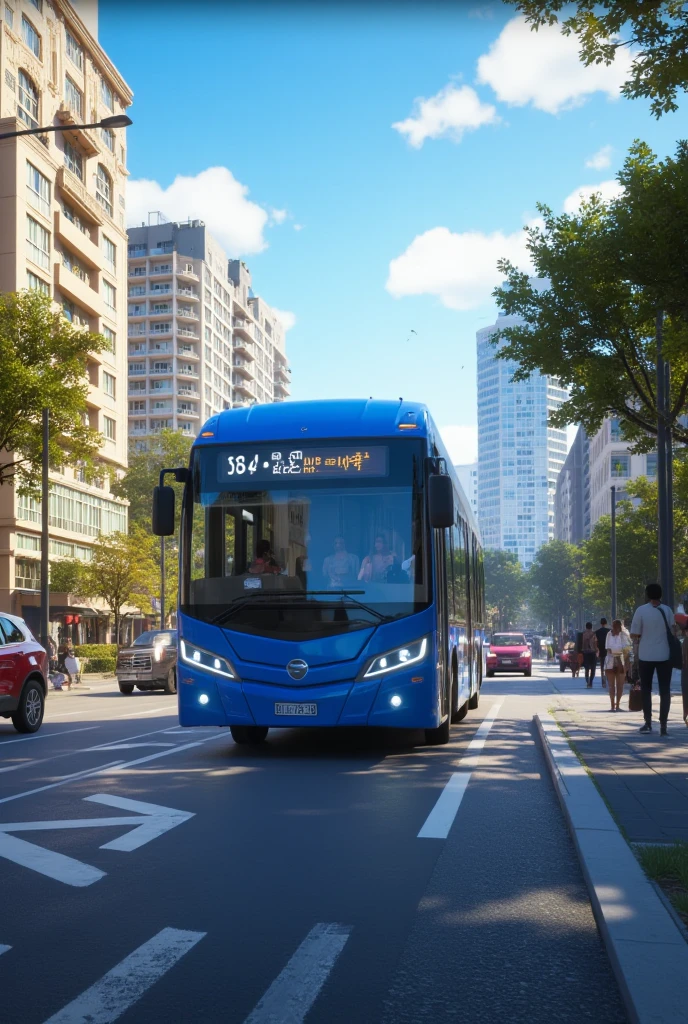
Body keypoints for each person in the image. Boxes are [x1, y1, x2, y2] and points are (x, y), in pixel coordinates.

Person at [630, 582, 675, 735]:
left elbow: (634, 634)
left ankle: (648, 723)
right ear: (660, 594)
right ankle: (663, 726)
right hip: (665, 654)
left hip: (646, 655)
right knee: (665, 690)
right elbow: (673, 630)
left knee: (646, 689)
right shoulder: (668, 610)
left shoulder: (641, 611)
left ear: (648, 595)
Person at [605, 620, 631, 711]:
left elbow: (627, 649)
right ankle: (613, 705)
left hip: (621, 661)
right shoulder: (609, 634)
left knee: (620, 685)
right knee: (612, 685)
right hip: (611, 661)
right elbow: (608, 648)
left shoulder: (624, 635)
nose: (615, 629)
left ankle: (617, 705)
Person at [581, 622, 599, 688]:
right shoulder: (594, 634)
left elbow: (582, 643)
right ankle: (591, 682)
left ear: (586, 627)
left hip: (585, 653)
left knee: (586, 668)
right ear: (591, 627)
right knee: (593, 668)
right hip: (592, 652)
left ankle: (587, 681)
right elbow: (595, 643)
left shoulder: (583, 634)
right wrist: (597, 650)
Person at [595, 618, 610, 688]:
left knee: (602, 666)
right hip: (608, 651)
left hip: (601, 651)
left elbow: (596, 642)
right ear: (606, 623)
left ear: (601, 623)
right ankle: (609, 680)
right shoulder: (609, 631)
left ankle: (603, 682)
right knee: (608, 666)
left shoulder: (597, 632)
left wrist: (597, 650)